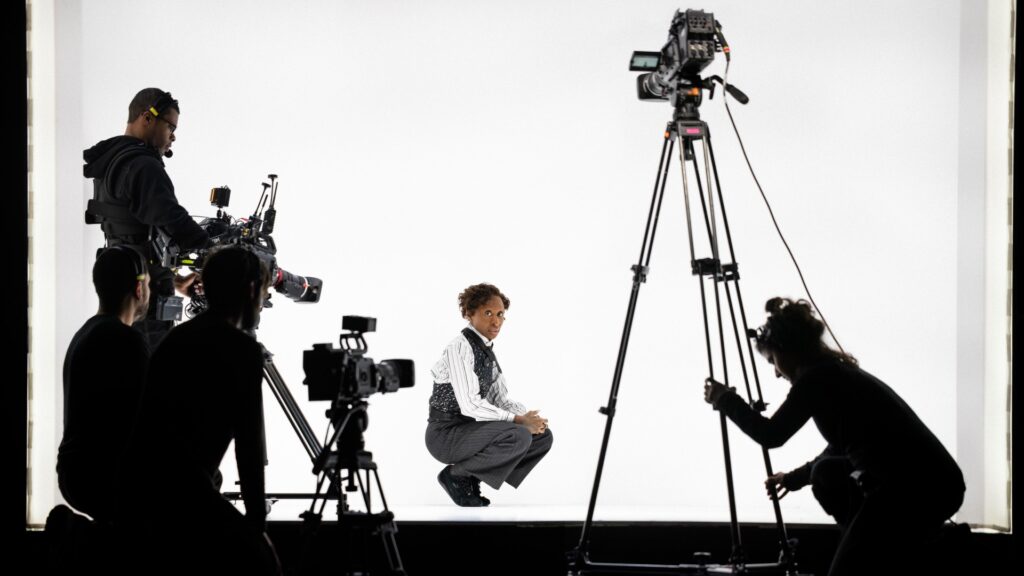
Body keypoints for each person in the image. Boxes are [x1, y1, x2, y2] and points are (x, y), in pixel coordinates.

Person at [703, 297, 965, 576]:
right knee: (825, 473)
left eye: (773, 361)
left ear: (786, 349)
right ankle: (895, 547)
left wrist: (726, 400)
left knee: (844, 572)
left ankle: (891, 550)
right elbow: (838, 448)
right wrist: (792, 479)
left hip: (915, 489)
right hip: (933, 483)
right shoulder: (834, 374)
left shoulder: (816, 380)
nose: (776, 373)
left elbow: (771, 434)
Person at [118, 246, 279, 575]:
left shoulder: (177, 339)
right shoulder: (243, 351)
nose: (263, 303)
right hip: (179, 495)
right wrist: (256, 527)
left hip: (145, 492)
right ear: (250, 291)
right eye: (263, 292)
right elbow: (249, 447)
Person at [83, 87, 209, 350]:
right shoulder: (143, 165)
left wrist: (173, 281)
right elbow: (170, 217)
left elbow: (133, 234)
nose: (173, 137)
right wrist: (213, 249)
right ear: (147, 118)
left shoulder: (112, 160)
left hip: (127, 284)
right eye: (170, 127)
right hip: (145, 299)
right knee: (154, 374)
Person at [425, 283, 553, 507]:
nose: (496, 321)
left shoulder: (486, 351)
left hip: (469, 431)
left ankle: (472, 476)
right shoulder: (459, 347)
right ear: (469, 314)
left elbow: (500, 400)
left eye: (501, 314)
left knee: (541, 437)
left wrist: (529, 419)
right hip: (445, 435)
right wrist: (520, 422)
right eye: (488, 313)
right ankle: (455, 476)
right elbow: (470, 406)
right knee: (519, 435)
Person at [56, 246, 151, 523]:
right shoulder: (125, 339)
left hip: (77, 473)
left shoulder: (87, 331)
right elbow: (151, 417)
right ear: (138, 290)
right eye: (149, 283)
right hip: (103, 477)